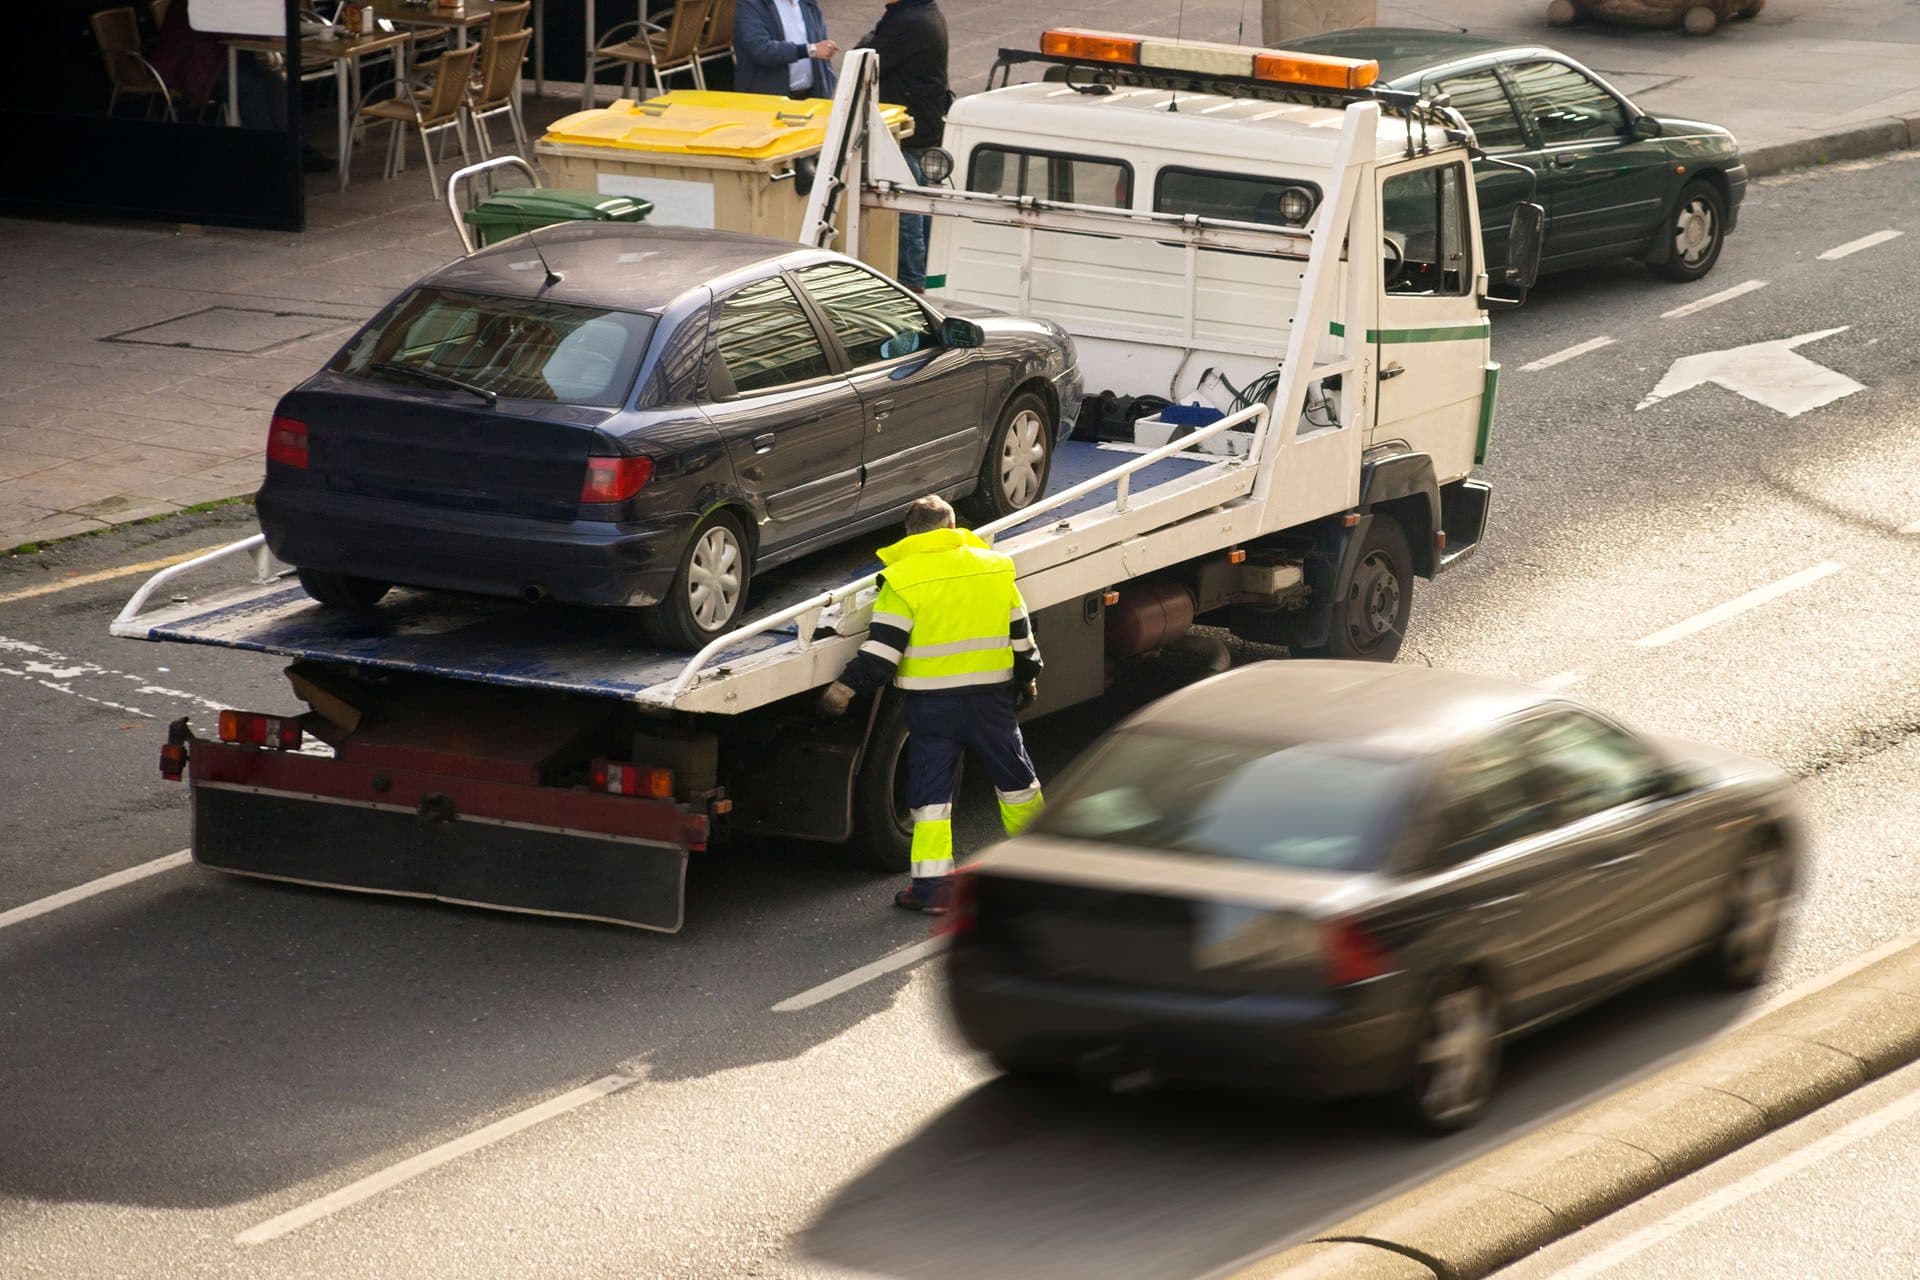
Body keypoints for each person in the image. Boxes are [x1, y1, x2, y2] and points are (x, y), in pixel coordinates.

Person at [818, 496, 1045, 913]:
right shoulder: (994, 567)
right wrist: (1028, 679)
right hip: (990, 702)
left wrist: (843, 690)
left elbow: (882, 654)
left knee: (932, 799)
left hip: (930, 710)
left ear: (910, 533)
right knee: (1017, 783)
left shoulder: (901, 580)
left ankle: (932, 891)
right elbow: (1022, 638)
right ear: (953, 525)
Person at [853, 0, 950, 292]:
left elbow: (864, 58)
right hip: (923, 127)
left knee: (907, 213)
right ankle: (921, 276)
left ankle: (912, 283)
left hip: (909, 132)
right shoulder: (921, 14)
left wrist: (869, 40)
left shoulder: (909, 22)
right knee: (918, 208)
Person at [732, 0, 838, 99]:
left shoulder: (808, 3)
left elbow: (821, 43)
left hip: (812, 98)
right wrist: (809, 50)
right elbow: (760, 49)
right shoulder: (751, 4)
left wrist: (828, 83)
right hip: (769, 102)